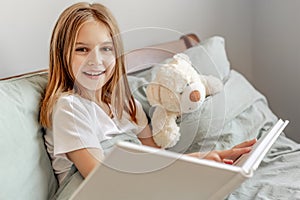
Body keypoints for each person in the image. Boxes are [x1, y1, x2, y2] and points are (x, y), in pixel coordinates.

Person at [40, 2, 256, 186]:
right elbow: (102, 181)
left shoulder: (126, 105)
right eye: (82, 49)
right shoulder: (69, 108)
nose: (96, 61)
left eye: (106, 49)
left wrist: (201, 161)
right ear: (61, 55)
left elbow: (157, 161)